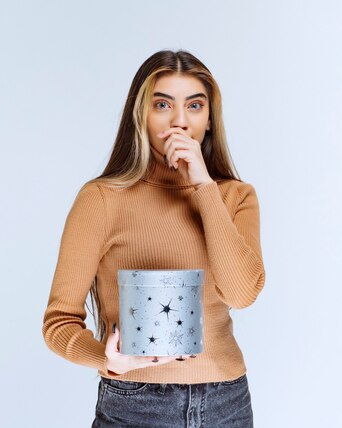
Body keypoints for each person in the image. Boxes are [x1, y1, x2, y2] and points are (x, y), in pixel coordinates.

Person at [41, 49, 266, 428]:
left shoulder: (235, 196)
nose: (180, 121)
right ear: (140, 115)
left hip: (226, 402)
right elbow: (59, 322)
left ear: (210, 119)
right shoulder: (101, 199)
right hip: (135, 403)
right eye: (163, 104)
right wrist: (106, 360)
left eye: (195, 106)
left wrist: (203, 187)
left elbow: (241, 294)